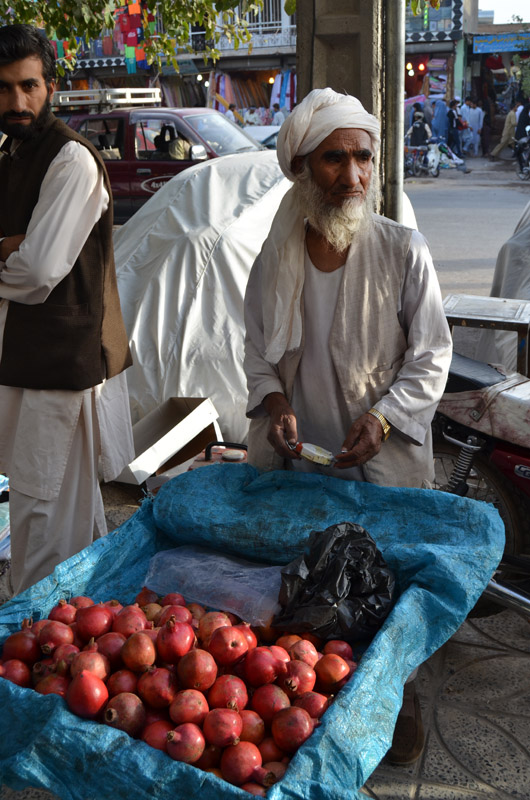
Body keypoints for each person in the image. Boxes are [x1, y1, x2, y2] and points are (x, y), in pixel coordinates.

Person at [243, 88, 453, 766]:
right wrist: (275, 407)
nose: (353, 175)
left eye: (363, 157)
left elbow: (431, 358)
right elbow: (254, 354)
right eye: (334, 159)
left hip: (381, 462)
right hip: (304, 463)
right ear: (303, 168)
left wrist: (385, 418)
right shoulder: (272, 259)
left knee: (388, 583)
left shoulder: (402, 250)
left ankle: (400, 693)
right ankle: (320, 699)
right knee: (312, 590)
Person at [0, 24, 134, 596]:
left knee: (46, 516)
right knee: (48, 512)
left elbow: (34, 274)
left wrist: (15, 251)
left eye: (28, 86)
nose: (17, 102)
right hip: (22, 365)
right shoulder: (10, 154)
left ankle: (42, 640)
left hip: (58, 371)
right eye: (3, 89)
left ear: (50, 86)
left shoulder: (71, 161)